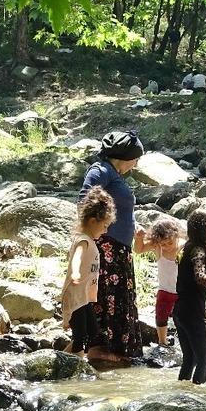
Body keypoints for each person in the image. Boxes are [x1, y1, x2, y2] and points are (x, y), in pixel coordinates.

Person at [78, 130, 145, 364]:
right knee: (106, 297)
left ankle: (112, 347)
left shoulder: (114, 175)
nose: (136, 164)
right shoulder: (101, 170)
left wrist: (134, 225)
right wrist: (97, 233)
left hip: (119, 248)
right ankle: (99, 348)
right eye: (136, 159)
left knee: (115, 297)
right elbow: (87, 200)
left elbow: (118, 209)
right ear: (126, 156)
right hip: (106, 246)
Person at [61, 186, 116, 359]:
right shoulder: (83, 240)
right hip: (75, 296)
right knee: (81, 337)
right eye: (105, 226)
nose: (106, 231)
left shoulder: (89, 240)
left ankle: (63, 358)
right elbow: (77, 257)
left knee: (92, 331)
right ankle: (75, 366)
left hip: (83, 297)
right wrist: (75, 272)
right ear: (93, 221)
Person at [174, 210, 206, 384]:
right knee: (204, 360)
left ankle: (182, 394)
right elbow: (200, 276)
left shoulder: (188, 247)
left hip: (180, 310)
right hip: (192, 313)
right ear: (202, 230)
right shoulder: (199, 250)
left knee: (190, 359)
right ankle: (197, 402)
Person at [134, 217, 184, 346]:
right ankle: (162, 341)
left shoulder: (183, 246)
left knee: (183, 317)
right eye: (163, 244)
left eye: (169, 243)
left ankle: (184, 340)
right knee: (161, 316)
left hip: (182, 290)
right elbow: (138, 250)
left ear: (176, 235)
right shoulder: (157, 247)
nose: (166, 247)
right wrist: (139, 238)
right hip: (164, 289)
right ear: (157, 242)